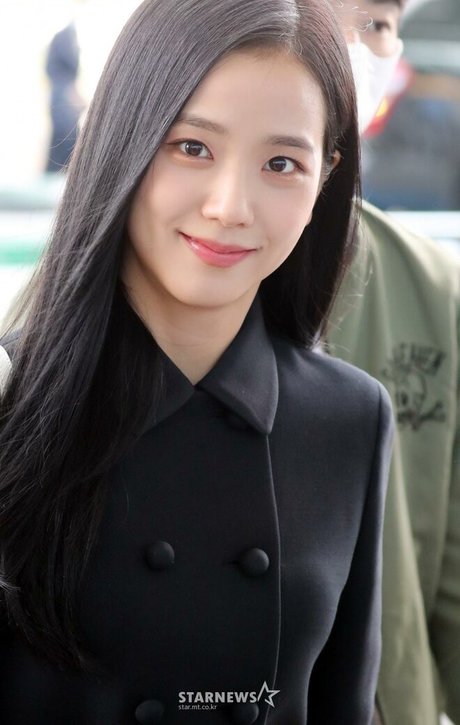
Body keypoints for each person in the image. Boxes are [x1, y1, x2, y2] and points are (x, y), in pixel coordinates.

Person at [0, 1, 393, 723]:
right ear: (121, 137)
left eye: (282, 163)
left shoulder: (350, 417)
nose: (230, 206)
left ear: (324, 180)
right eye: (191, 147)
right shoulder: (10, 400)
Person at [328, 1, 460, 723]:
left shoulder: (431, 288)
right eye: (319, 11)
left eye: (377, 23)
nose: (351, 48)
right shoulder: (99, 288)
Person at [45, 21, 84, 172]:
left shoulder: (66, 36)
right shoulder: (65, 36)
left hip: (62, 95)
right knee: (65, 141)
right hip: (62, 97)